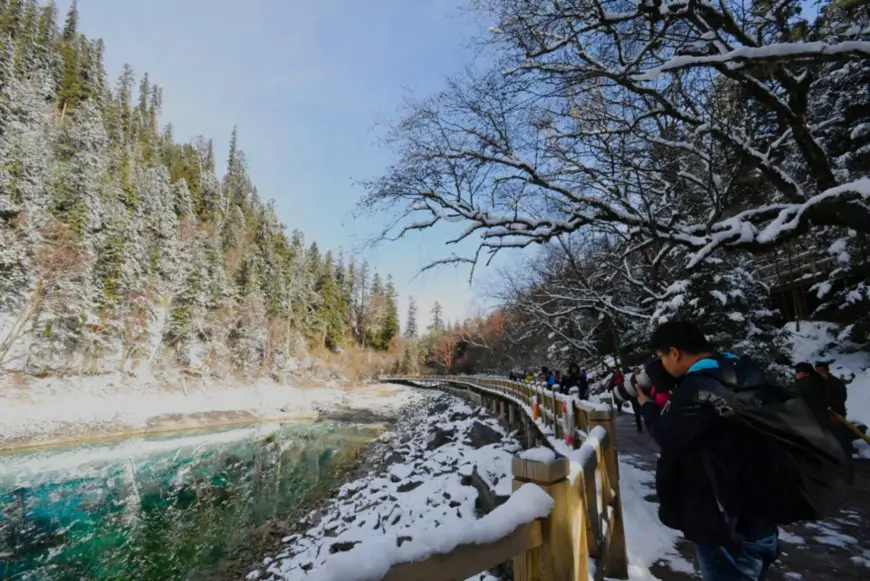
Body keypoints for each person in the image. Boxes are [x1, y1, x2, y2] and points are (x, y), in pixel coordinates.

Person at [637, 321, 780, 581]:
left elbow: (669, 436)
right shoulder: (741, 372)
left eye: (661, 358)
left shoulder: (698, 388)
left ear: (675, 353)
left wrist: (647, 406)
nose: (661, 365)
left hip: (724, 523)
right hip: (761, 513)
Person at [628, 367, 644, 434]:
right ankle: (639, 428)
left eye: (638, 371)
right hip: (634, 398)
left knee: (642, 412)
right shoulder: (633, 380)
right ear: (634, 372)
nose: (638, 373)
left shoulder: (640, 378)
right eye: (636, 372)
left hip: (640, 397)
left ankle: (641, 427)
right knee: (637, 413)